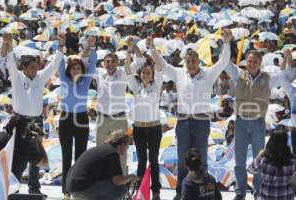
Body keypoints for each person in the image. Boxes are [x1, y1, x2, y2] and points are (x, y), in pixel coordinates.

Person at [150, 29, 232, 200]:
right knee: (182, 159)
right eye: (188, 61)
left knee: (201, 158)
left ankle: (205, 191)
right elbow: (163, 64)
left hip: (202, 121)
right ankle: (181, 191)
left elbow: (224, 61)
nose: (191, 64)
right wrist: (151, 47)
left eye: (194, 61)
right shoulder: (179, 73)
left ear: (198, 61)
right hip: (184, 121)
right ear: (184, 62)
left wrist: (226, 42)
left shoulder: (208, 74)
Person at [0, 32, 64, 195]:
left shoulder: (40, 77)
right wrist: (9, 43)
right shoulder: (16, 76)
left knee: (36, 156)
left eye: (37, 66)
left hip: (35, 122)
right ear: (24, 68)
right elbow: (11, 60)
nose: (36, 69)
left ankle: (34, 188)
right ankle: (10, 186)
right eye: (32, 67)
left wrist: (61, 46)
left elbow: (55, 64)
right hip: (19, 121)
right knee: (16, 156)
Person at [225, 50, 291, 200]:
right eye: (249, 61)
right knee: (239, 159)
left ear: (260, 63)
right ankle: (240, 192)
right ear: (245, 62)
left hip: (258, 122)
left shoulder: (267, 78)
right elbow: (225, 64)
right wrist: (227, 44)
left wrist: (286, 59)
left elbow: (283, 75)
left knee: (260, 157)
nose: (252, 64)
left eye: (255, 62)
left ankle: (258, 191)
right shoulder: (238, 74)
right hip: (241, 121)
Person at [93, 42, 144, 175]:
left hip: (119, 118)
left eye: (112, 61)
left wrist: (133, 48)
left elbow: (140, 61)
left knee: (121, 151)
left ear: (117, 62)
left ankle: (121, 181)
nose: (109, 63)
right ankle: (101, 180)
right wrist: (91, 46)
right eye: (107, 61)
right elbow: (84, 61)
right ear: (103, 63)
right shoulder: (99, 73)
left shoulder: (123, 73)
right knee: (100, 151)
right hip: (102, 118)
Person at [124, 37, 163, 200]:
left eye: (149, 72)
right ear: (140, 74)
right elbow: (126, 69)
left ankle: (156, 191)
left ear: (152, 75)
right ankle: (140, 190)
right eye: (144, 72)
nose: (146, 74)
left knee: (153, 161)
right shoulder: (136, 86)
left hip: (154, 128)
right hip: (139, 128)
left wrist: (152, 48)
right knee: (141, 162)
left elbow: (160, 66)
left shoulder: (157, 85)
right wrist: (129, 50)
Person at [58, 36, 97, 197]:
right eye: (73, 68)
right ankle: (66, 188)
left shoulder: (85, 82)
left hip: (81, 119)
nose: (75, 70)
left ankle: (78, 187)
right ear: (69, 70)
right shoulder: (64, 79)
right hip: (66, 118)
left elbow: (93, 63)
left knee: (80, 155)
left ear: (82, 70)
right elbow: (59, 61)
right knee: (66, 155)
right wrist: (60, 45)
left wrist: (92, 47)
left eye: (78, 68)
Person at [66, 129, 138, 200]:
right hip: (81, 189)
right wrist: (130, 177)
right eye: (127, 145)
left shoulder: (104, 149)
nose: (127, 148)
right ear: (122, 144)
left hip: (73, 186)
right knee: (122, 188)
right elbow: (117, 181)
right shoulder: (112, 153)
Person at [247, 129, 296, 200]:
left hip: (267, 196)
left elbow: (250, 170)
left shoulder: (264, 156)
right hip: (286, 196)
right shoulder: (292, 159)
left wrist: (259, 154)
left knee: (257, 193)